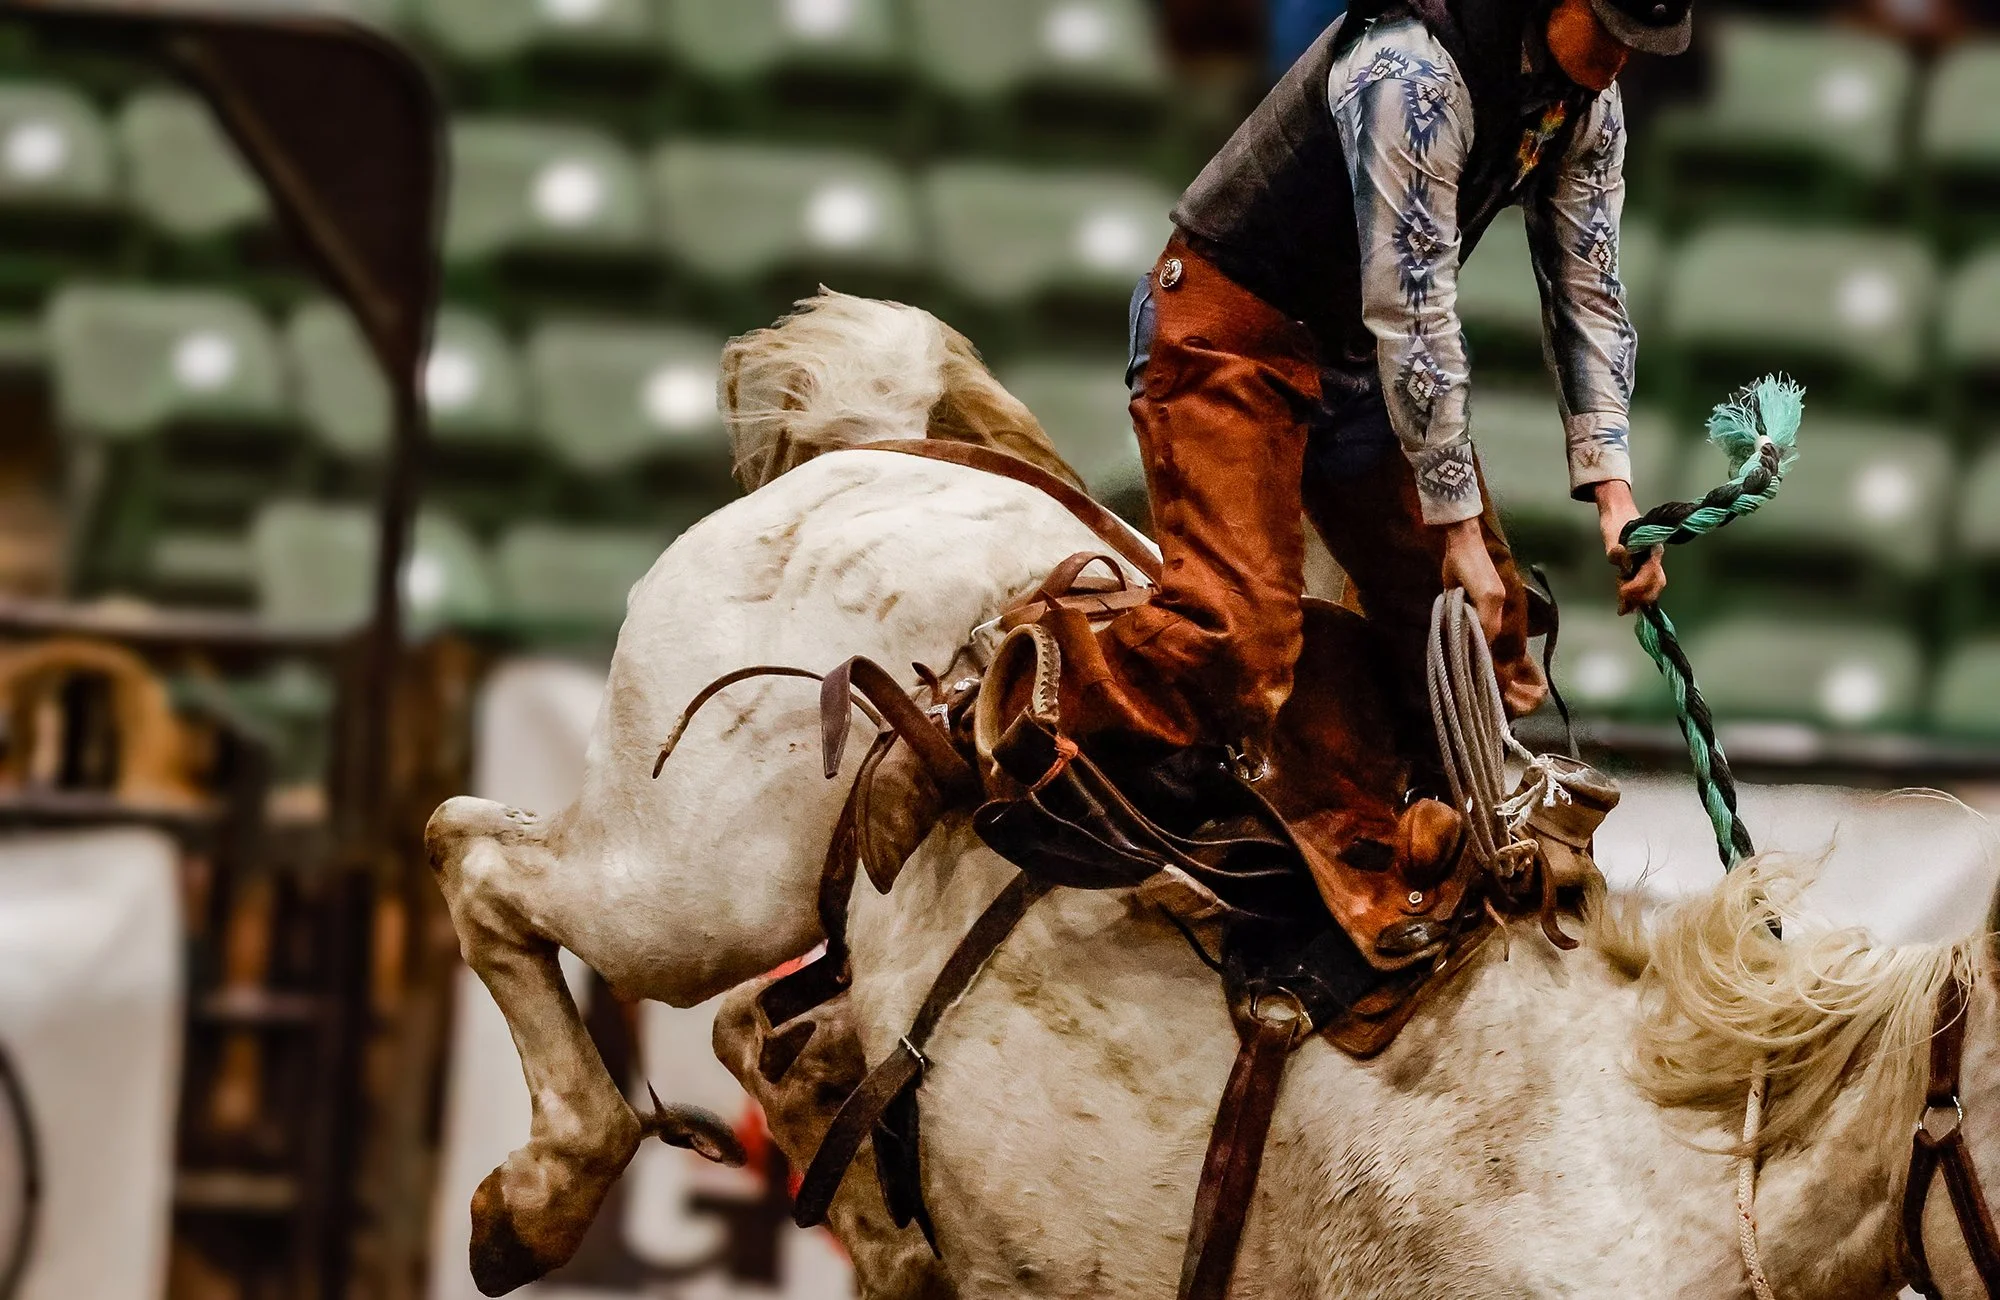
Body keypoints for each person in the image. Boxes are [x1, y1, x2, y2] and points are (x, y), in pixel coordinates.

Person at [1048, 0, 1684, 773]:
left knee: (1480, 647)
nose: (1622, 56)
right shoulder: (1409, 69)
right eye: (1611, 29)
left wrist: (1617, 499)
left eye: (1639, 41)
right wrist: (1457, 530)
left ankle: (1394, 832)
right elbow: (1412, 306)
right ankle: (1019, 701)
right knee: (1235, 635)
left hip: (1356, 362)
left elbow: (1589, 295)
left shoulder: (1583, 105)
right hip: (1231, 338)